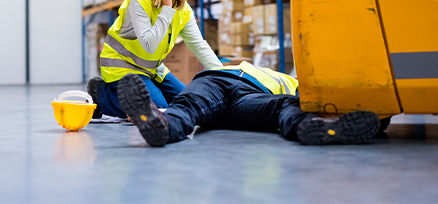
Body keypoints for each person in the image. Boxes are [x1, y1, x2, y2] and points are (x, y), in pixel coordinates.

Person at [88, 0, 223, 119]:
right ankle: (101, 94)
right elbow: (149, 45)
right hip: (121, 65)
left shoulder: (184, 10)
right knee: (156, 109)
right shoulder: (139, 1)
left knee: (189, 103)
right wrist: (167, 8)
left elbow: (199, 45)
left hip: (151, 68)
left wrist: (224, 76)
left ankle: (142, 95)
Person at [116, 61, 381, 146]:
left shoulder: (302, 88)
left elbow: (335, 98)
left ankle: (317, 126)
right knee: (189, 103)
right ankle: (158, 123)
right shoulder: (283, 77)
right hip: (219, 80)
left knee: (287, 107)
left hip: (248, 98)